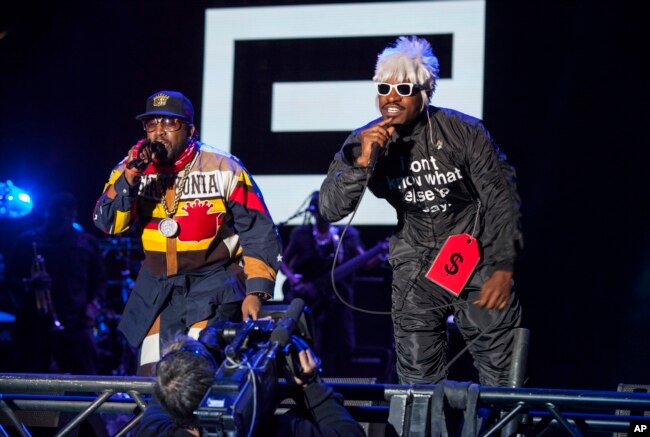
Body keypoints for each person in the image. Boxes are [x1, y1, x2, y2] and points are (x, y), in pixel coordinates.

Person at [319, 36, 524, 386]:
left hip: (474, 258)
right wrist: (363, 162)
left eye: (404, 88)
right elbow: (330, 208)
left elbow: (500, 198)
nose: (392, 97)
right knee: (417, 382)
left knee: (503, 374)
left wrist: (503, 266)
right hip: (415, 264)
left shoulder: (465, 132)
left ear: (425, 92)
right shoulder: (364, 140)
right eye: (384, 88)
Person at [93, 90, 281, 375]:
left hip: (213, 285)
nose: (159, 132)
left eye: (169, 123)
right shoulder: (132, 169)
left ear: (191, 130)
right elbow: (107, 223)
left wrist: (256, 292)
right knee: (152, 379)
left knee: (192, 372)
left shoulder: (224, 167)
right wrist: (130, 176)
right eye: (152, 124)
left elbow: (259, 232)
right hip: (158, 289)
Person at [132, 332, 366, 437]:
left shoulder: (152, 430)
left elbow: (170, 383)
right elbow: (349, 433)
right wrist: (312, 386)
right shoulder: (277, 430)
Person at [280, 191, 386, 377]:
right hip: (308, 299)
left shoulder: (347, 235)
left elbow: (365, 263)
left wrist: (381, 253)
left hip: (339, 300)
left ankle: (341, 384)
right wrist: (292, 277)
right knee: (313, 341)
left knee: (342, 344)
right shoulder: (301, 235)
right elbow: (282, 260)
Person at [6, 192, 107, 374]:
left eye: (66, 215)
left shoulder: (87, 243)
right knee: (29, 380)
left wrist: (94, 306)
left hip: (76, 322)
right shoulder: (28, 241)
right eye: (57, 215)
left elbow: (100, 281)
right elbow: (8, 281)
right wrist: (29, 283)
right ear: (48, 214)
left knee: (86, 379)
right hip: (34, 324)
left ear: (73, 216)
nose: (61, 219)